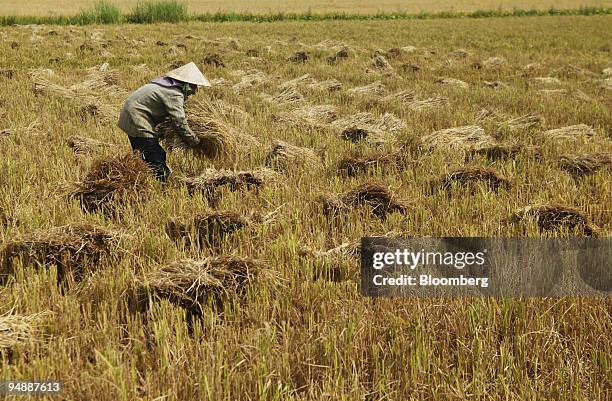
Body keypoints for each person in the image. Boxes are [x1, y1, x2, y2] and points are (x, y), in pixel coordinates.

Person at [118, 62, 211, 182]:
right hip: (137, 118)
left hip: (131, 114)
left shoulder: (165, 84)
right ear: (186, 84)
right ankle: (162, 182)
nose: (195, 91)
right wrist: (194, 141)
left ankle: (138, 178)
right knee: (155, 155)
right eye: (194, 86)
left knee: (142, 154)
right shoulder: (173, 93)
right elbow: (179, 122)